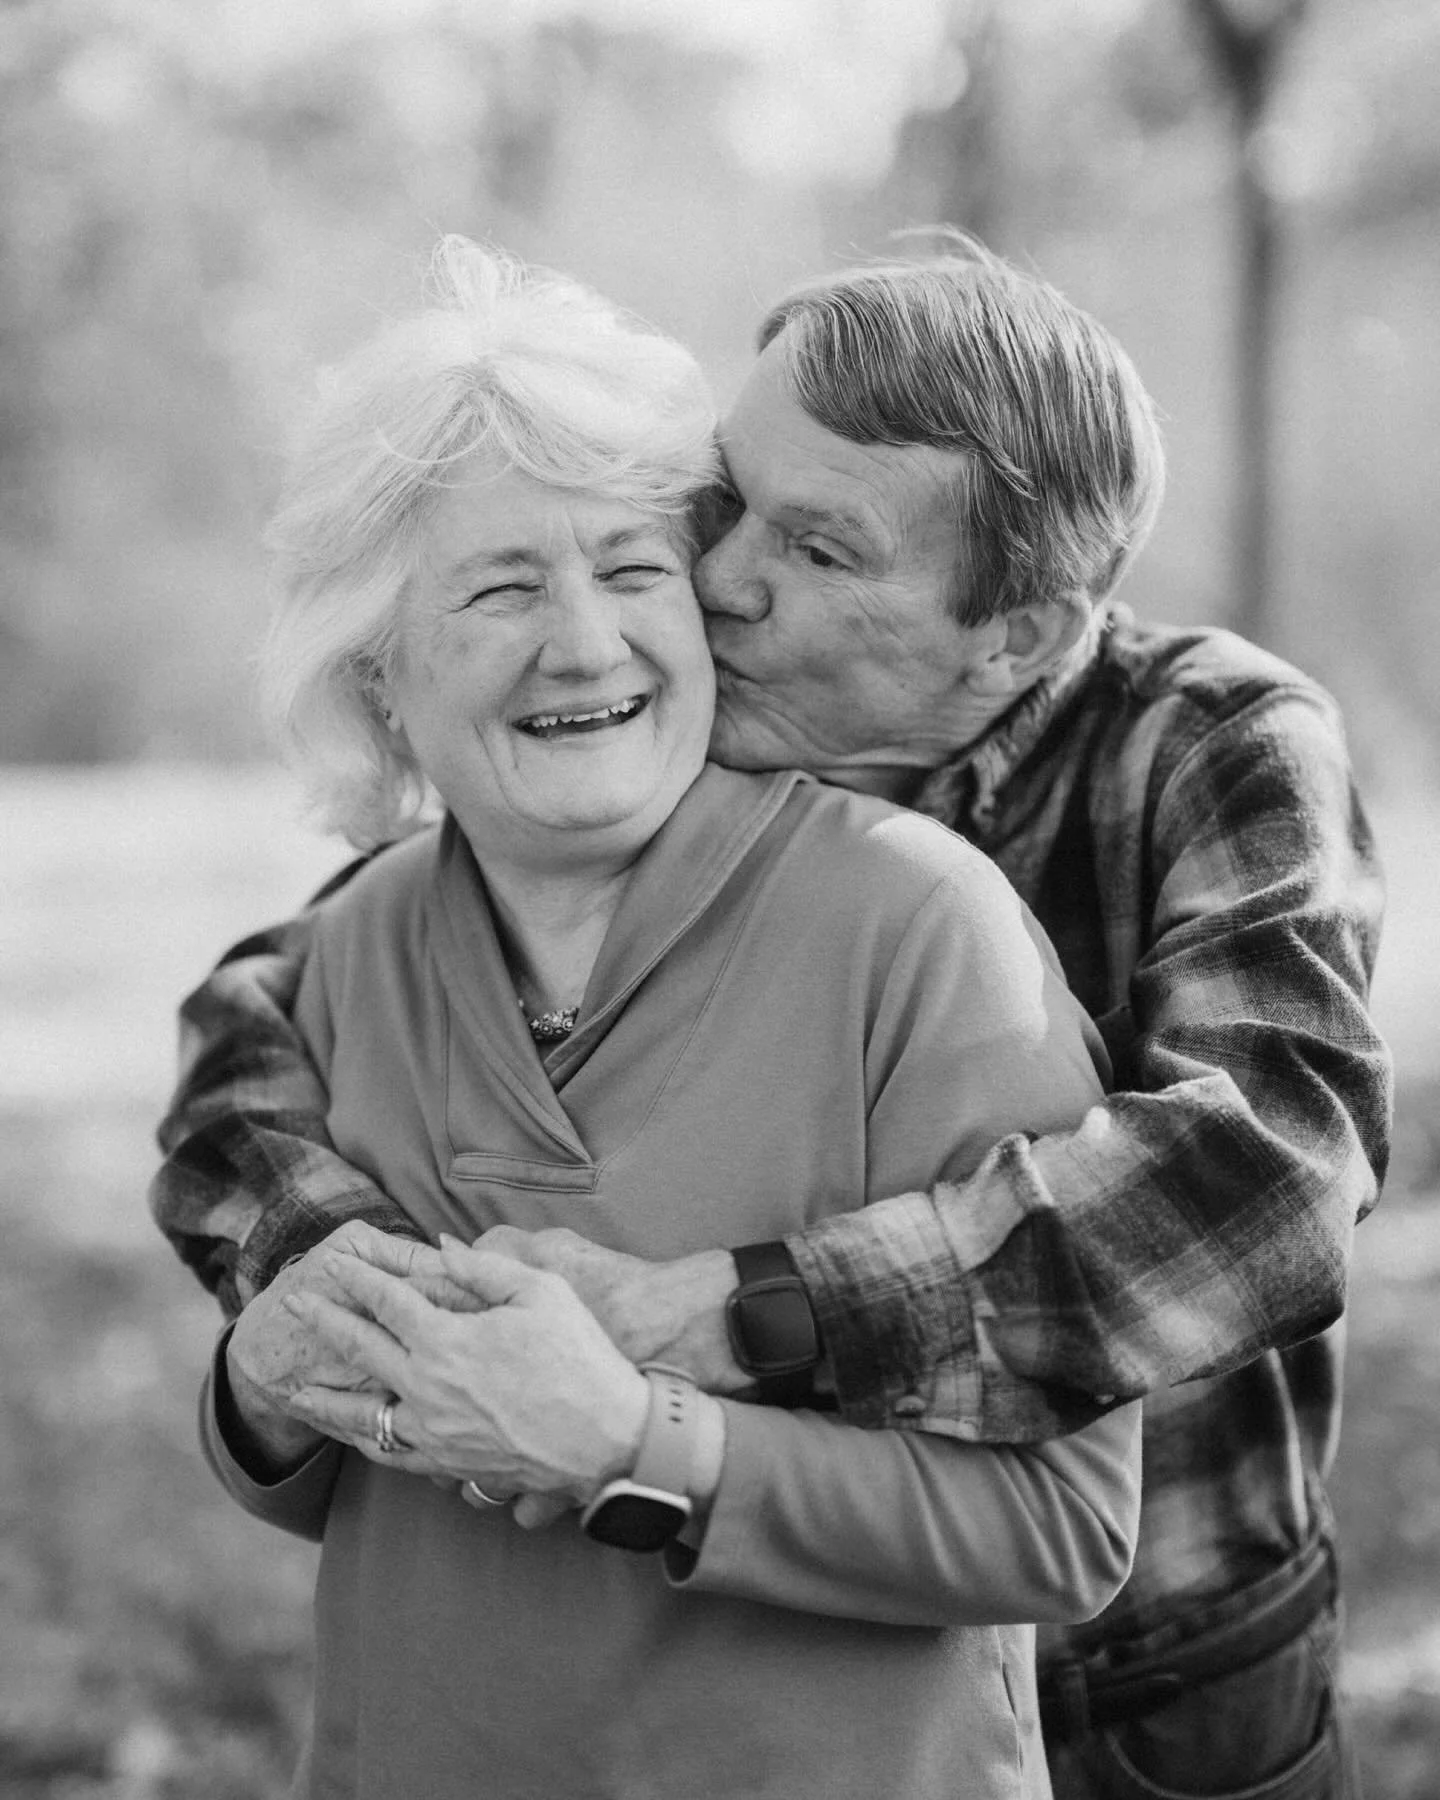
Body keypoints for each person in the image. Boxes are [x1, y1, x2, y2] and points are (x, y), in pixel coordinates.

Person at [154, 236, 1391, 1800]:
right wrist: (336, 1295)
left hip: (1157, 1645)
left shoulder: (1195, 751)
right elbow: (272, 1002)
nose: (719, 580)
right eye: (727, 502)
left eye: (818, 550)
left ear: (1015, 636)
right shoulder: (678, 751)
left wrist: (718, 1319)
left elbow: (1263, 1183)